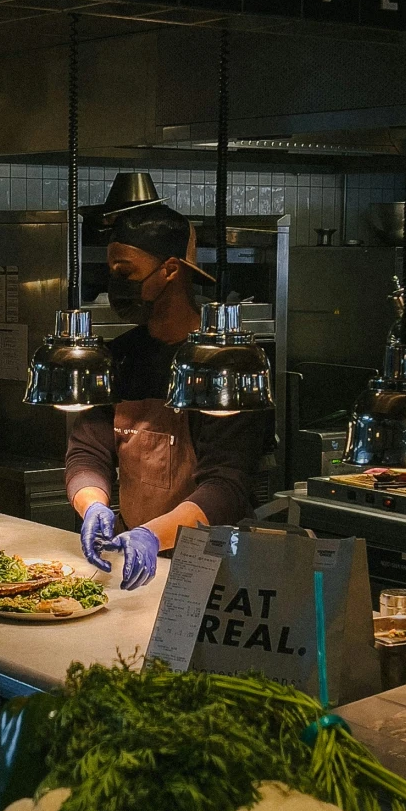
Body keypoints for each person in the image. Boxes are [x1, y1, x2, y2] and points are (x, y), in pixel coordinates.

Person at [65, 202, 263, 588]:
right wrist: (93, 506)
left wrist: (153, 535)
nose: (116, 285)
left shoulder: (227, 369)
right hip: (135, 562)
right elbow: (87, 451)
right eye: (112, 273)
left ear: (171, 270)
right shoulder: (118, 357)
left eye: (126, 272)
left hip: (216, 568)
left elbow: (227, 486)